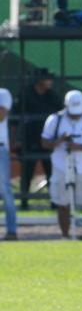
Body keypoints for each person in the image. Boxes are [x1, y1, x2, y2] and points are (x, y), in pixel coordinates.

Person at [40, 89, 82, 238]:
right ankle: (65, 236)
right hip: (61, 166)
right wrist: (59, 140)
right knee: (63, 204)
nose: (76, 114)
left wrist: (77, 146)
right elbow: (44, 143)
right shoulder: (55, 119)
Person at [17, 67, 61, 210]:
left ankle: (54, 201)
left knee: (51, 172)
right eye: (47, 78)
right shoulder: (25, 95)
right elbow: (14, 120)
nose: (50, 81)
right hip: (29, 139)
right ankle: (24, 202)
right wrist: (15, 139)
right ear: (39, 80)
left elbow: (60, 115)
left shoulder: (53, 96)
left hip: (48, 139)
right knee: (27, 172)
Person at [0, 88, 16, 240]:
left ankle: (12, 231)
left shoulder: (3, 93)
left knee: (5, 191)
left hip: (0, 149)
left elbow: (1, 115)